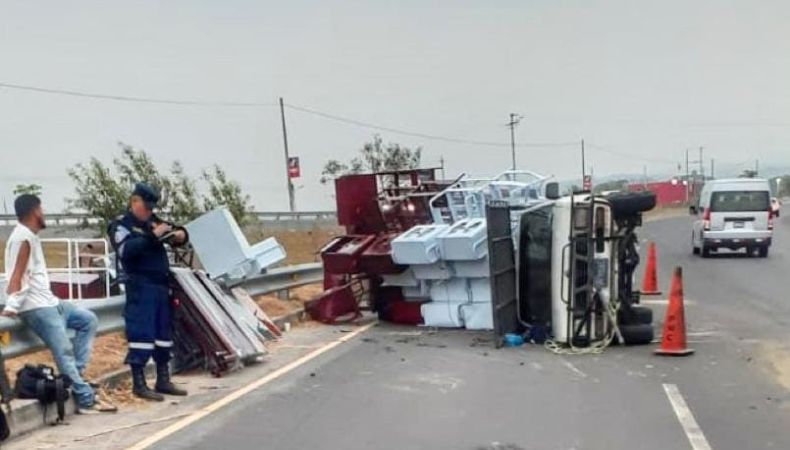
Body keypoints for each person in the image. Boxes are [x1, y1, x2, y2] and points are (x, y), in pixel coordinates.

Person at [2, 194, 116, 414]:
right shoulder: (22, 238)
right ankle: (84, 399)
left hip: (52, 302)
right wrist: (12, 306)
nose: (43, 213)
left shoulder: (29, 236)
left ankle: (74, 378)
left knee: (88, 320)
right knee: (63, 351)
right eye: (41, 209)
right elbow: (17, 276)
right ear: (35, 211)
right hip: (38, 308)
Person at [108, 183, 188, 401]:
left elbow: (175, 232)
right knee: (141, 335)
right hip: (140, 287)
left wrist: (180, 235)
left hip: (161, 286)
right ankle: (139, 383)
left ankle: (163, 378)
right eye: (146, 206)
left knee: (163, 334)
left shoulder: (153, 221)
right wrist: (152, 236)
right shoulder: (121, 225)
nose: (150, 211)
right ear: (134, 201)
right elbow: (127, 251)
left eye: (152, 207)